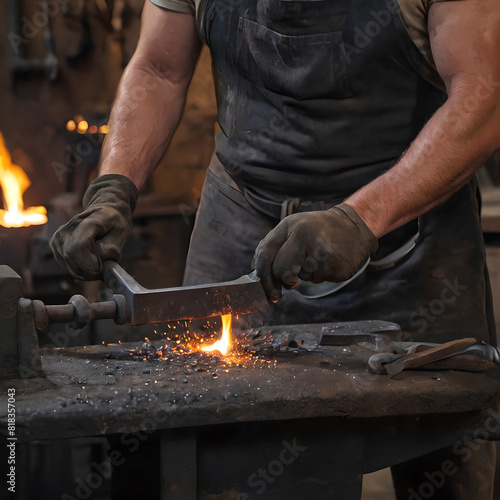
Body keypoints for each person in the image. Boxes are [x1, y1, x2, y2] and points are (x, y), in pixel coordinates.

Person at [50, 0, 500, 497]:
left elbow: (484, 93)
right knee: (208, 429)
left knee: (445, 449)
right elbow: (158, 69)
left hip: (409, 233)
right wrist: (114, 187)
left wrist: (361, 219)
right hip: (243, 221)